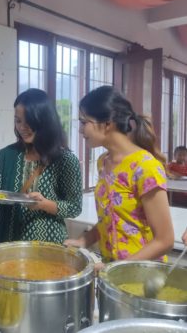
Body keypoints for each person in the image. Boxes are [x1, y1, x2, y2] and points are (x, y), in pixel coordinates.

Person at [64, 85, 174, 264]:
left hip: (141, 276)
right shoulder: (103, 162)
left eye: (84, 122)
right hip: (112, 272)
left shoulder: (145, 167)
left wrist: (115, 269)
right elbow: (111, 219)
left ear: (107, 124)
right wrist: (84, 241)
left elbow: (165, 240)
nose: (80, 129)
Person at [0, 88, 83, 244]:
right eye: (18, 121)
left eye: (29, 121)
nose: (22, 127)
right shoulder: (8, 154)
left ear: (44, 120)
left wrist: (44, 204)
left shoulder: (65, 160)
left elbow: (74, 207)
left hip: (46, 246)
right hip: (8, 243)